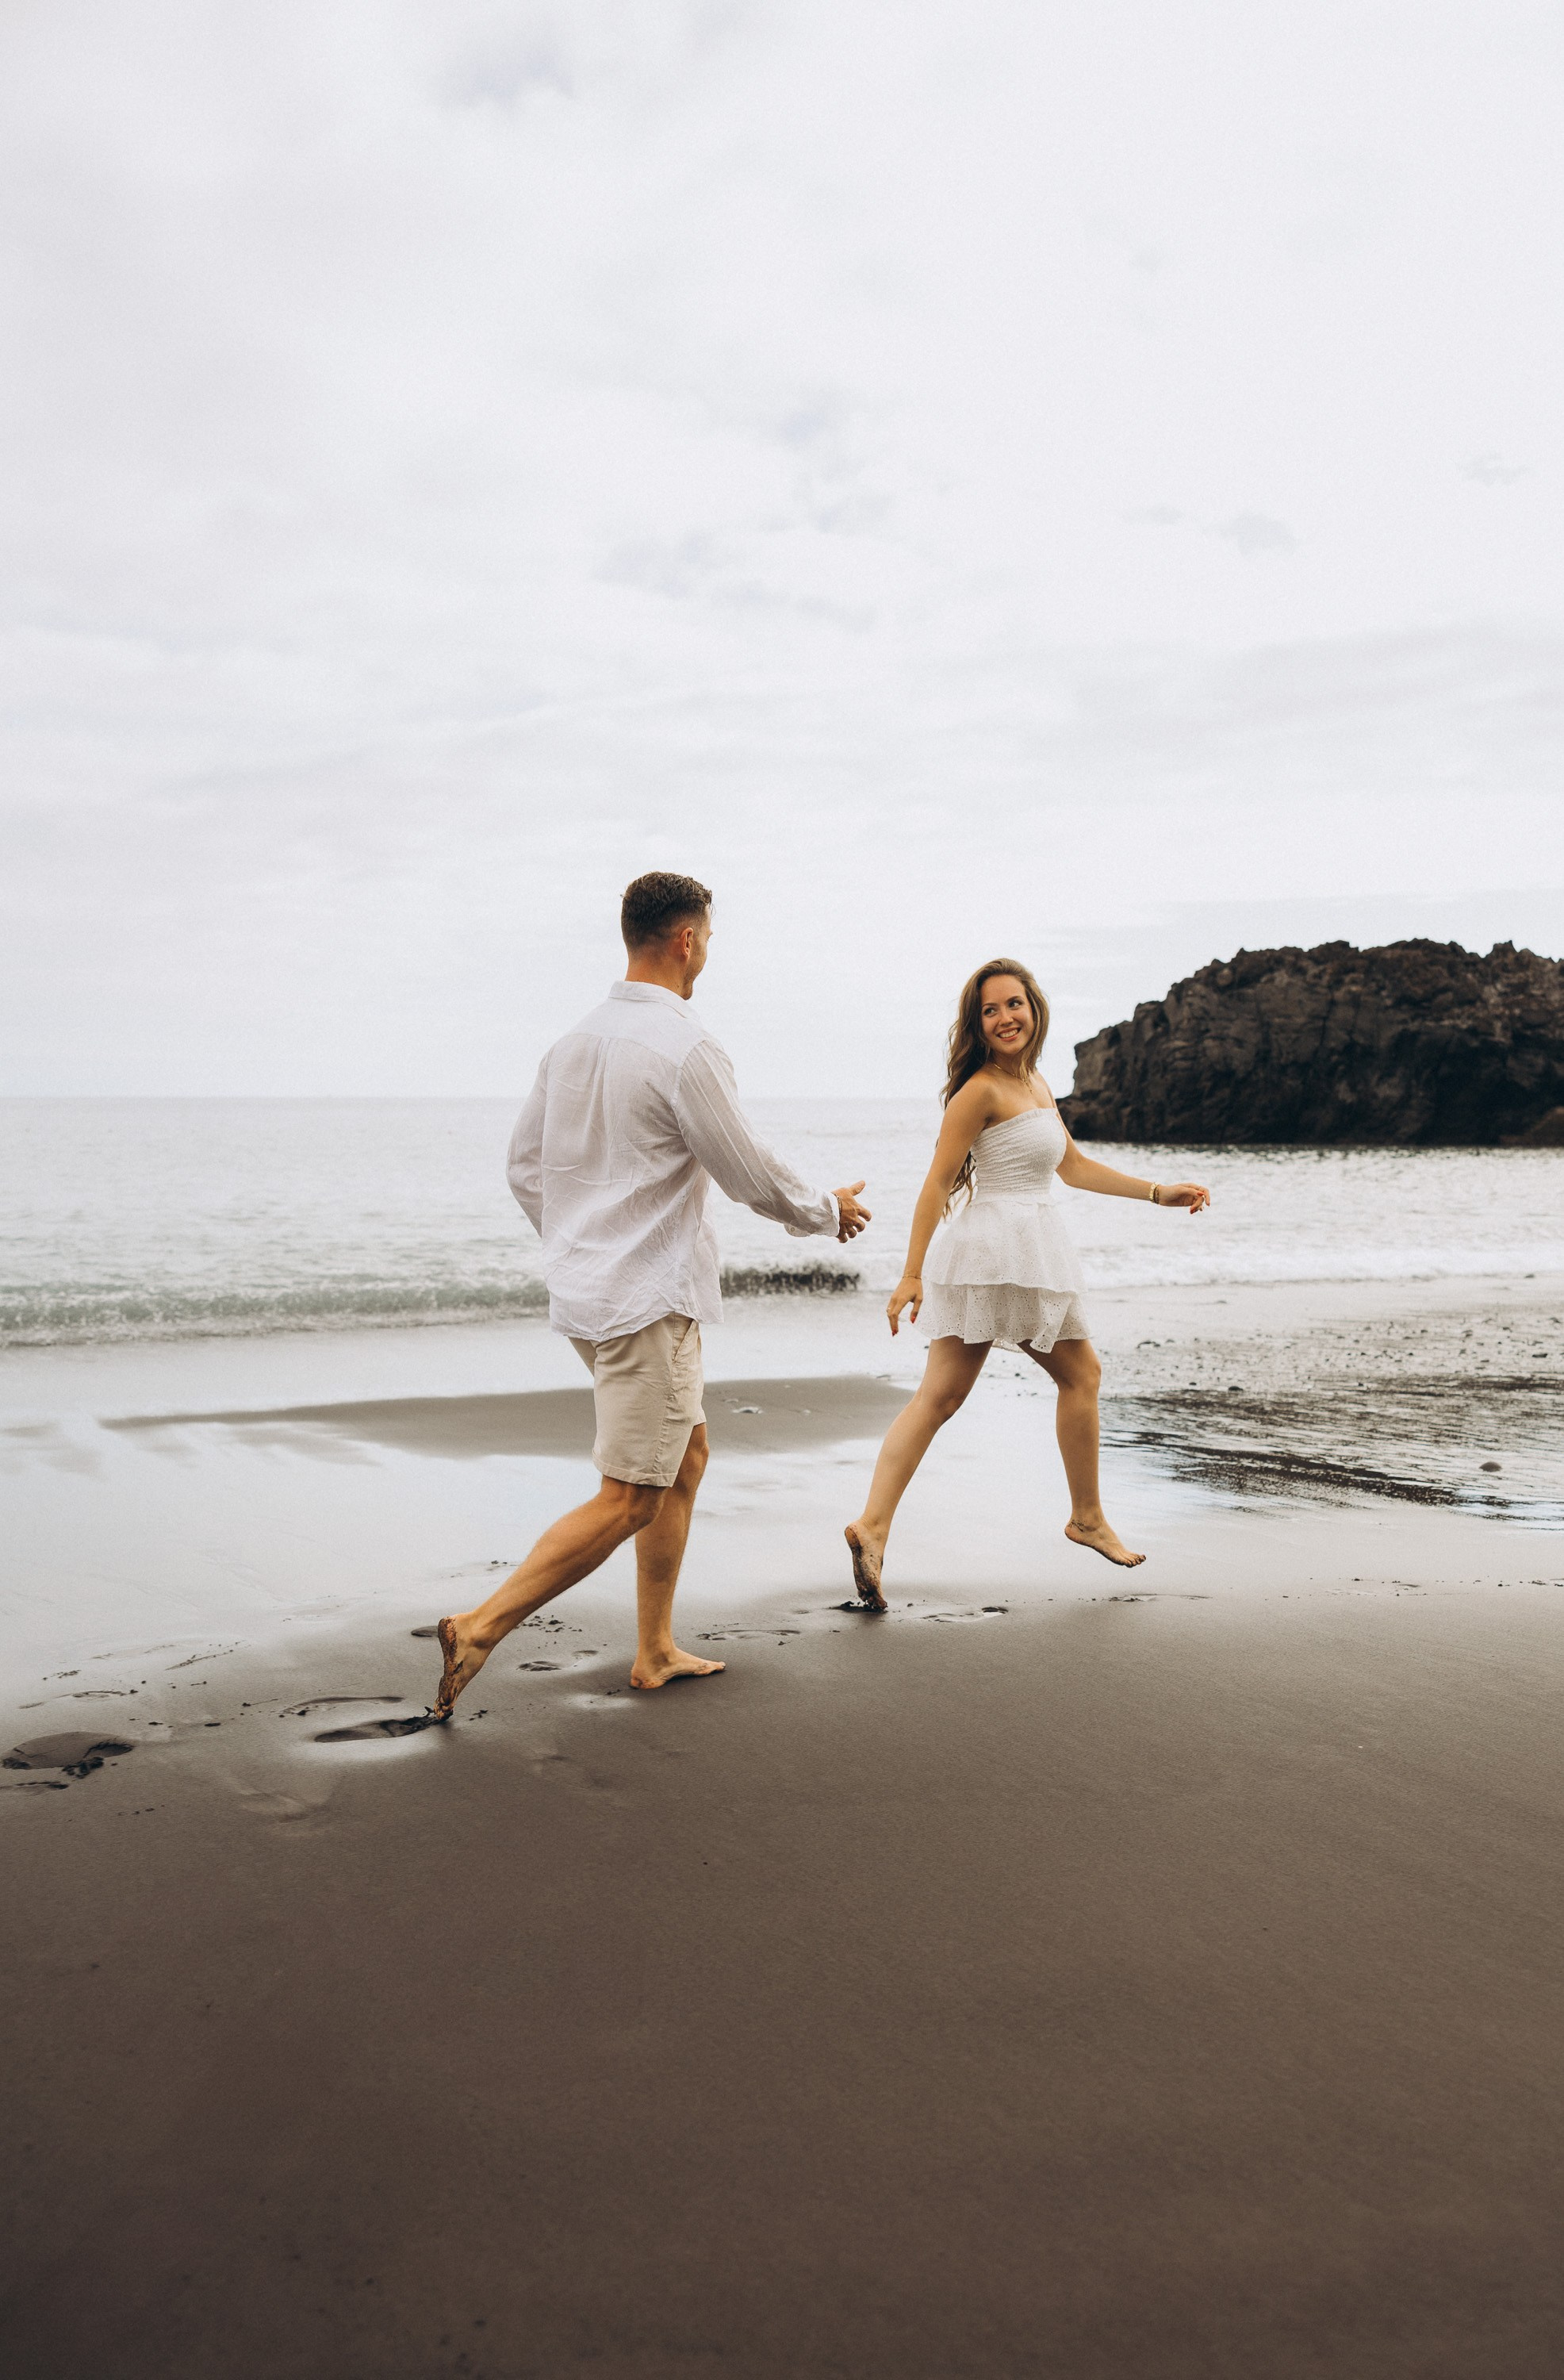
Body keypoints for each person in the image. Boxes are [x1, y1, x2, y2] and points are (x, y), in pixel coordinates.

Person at [433, 872, 872, 1718]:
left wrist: (576, 1243)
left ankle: (655, 1648)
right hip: (645, 1301)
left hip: (589, 1296)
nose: (706, 952)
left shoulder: (571, 1044)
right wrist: (828, 1213)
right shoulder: (684, 1047)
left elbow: (525, 1169)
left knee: (685, 1457)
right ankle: (479, 1625)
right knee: (632, 1491)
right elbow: (744, 1168)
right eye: (706, 938)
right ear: (686, 940)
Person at [843, 958, 1209, 1608]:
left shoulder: (1036, 1083)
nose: (1005, 1017)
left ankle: (873, 1526)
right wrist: (909, 1274)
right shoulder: (978, 1091)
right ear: (977, 1026)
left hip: (1011, 1248)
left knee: (940, 1398)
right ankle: (1086, 1517)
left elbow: (1072, 1167)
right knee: (1081, 1376)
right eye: (990, 1010)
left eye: (1014, 1004)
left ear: (1033, 1009)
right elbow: (935, 1183)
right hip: (1005, 1250)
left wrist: (1158, 1193)